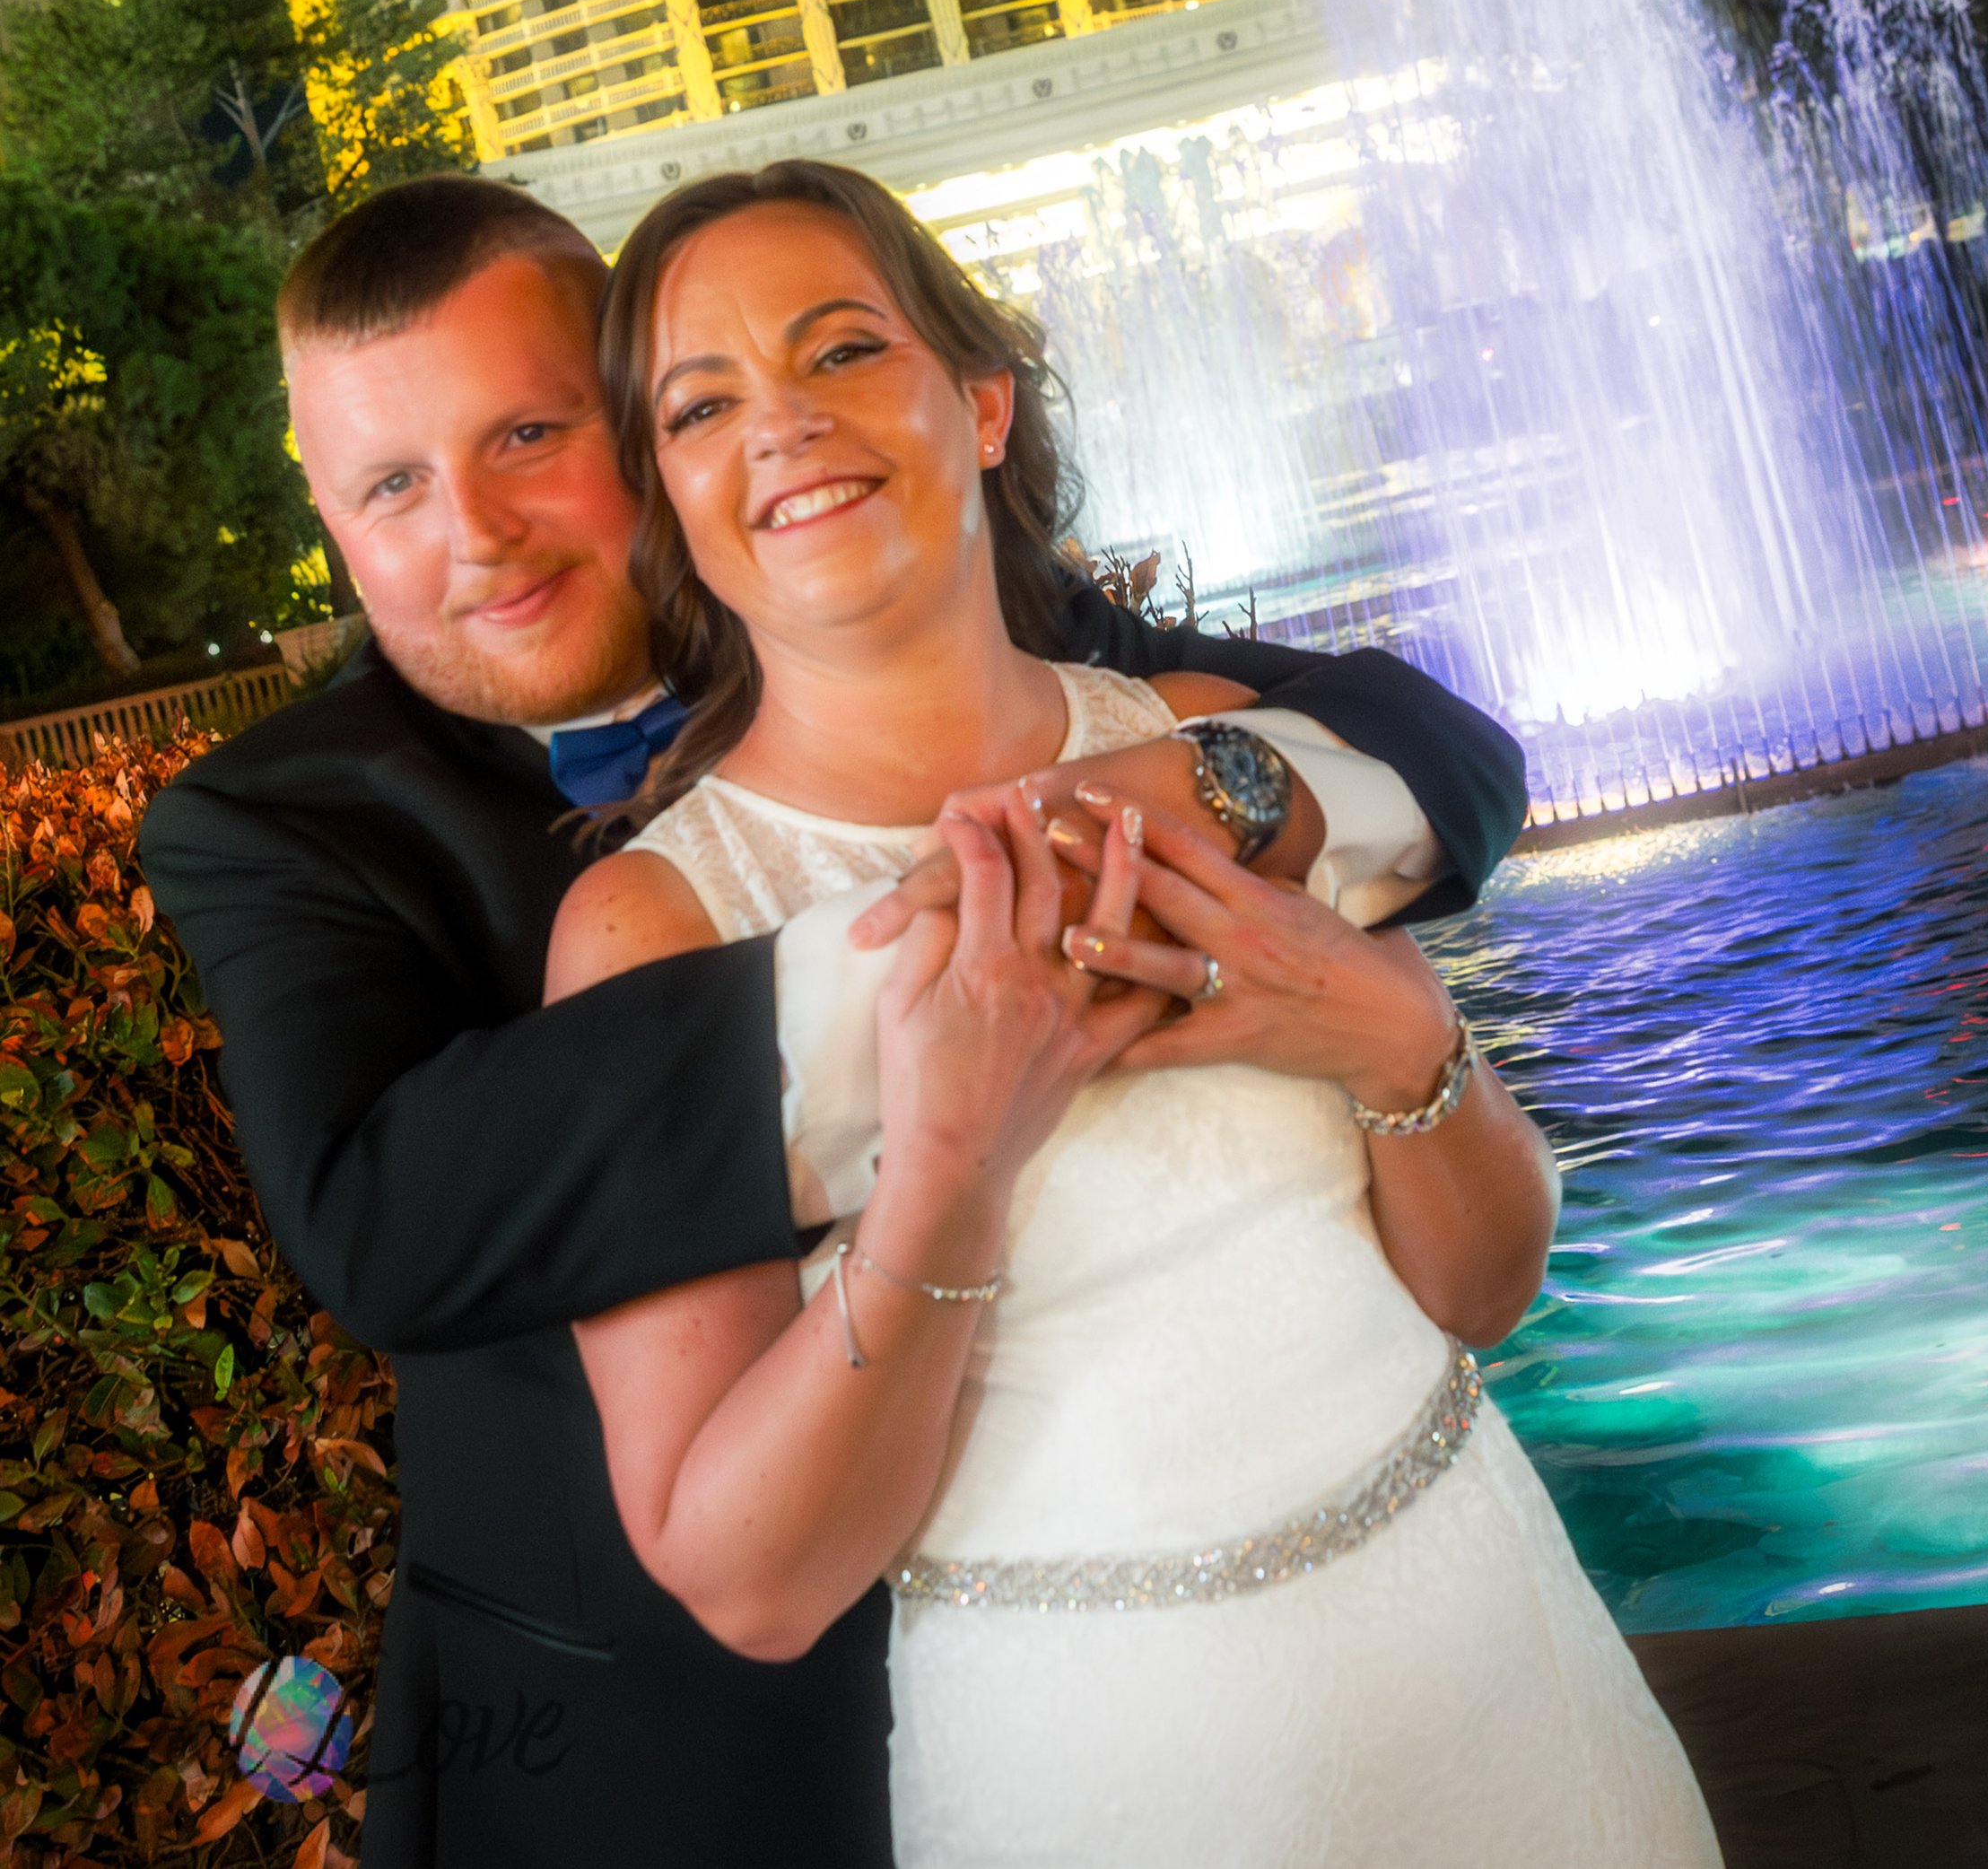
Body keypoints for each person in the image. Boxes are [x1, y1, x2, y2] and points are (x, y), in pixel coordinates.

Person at [140, 172, 1534, 1868]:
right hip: (659, 1761)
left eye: (526, 436)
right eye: (390, 485)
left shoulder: (979, 623)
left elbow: (1430, 748)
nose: (474, 534)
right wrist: (988, 936)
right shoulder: (280, 821)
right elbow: (379, 1215)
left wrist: (1202, 795)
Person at [553, 161, 1720, 1869]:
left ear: (982, 399)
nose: (784, 425)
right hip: (1102, 1773)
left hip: (1511, 1684)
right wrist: (951, 1164)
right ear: (669, 488)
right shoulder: (656, 921)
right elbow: (755, 1579)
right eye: (703, 400)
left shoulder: (1220, 750)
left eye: (844, 351)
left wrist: (1401, 1047)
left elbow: (1488, 1287)